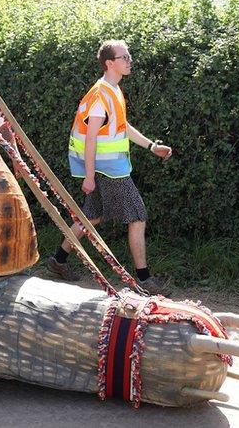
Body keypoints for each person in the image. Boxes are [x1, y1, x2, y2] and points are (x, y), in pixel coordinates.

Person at [49, 40, 173, 295]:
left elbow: (121, 126)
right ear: (110, 63)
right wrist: (89, 177)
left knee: (91, 216)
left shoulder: (113, 90)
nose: (129, 60)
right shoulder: (100, 95)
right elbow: (91, 138)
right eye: (124, 57)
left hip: (107, 168)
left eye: (128, 56)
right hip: (108, 171)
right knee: (137, 216)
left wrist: (151, 146)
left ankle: (58, 260)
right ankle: (144, 280)